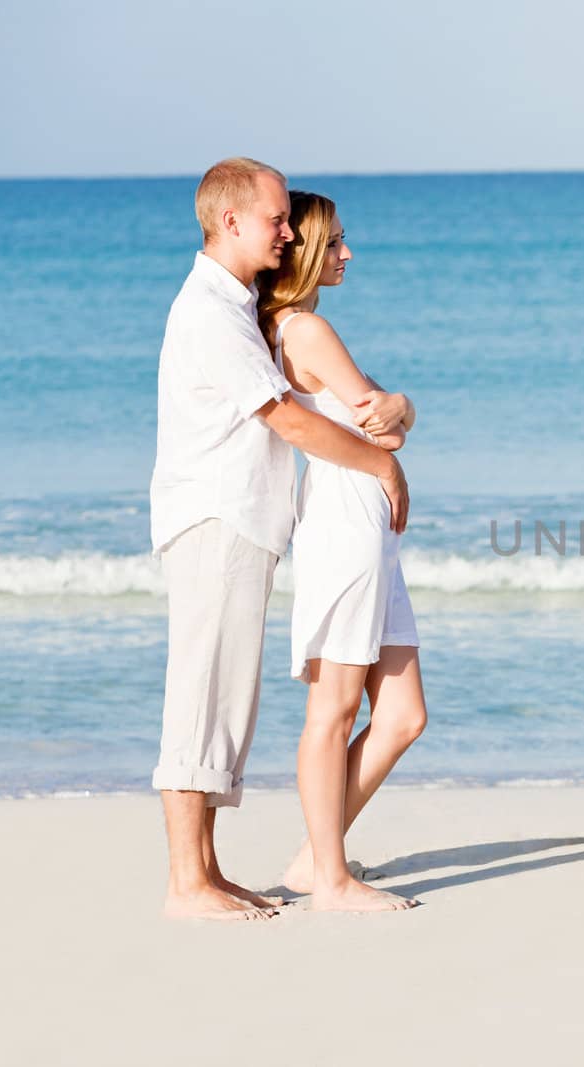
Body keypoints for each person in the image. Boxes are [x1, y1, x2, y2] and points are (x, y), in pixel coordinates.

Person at [150, 158, 411, 921]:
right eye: (276, 219)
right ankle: (185, 884)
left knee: (227, 697)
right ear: (230, 221)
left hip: (243, 520)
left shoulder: (233, 308)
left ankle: (207, 871)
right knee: (200, 696)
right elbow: (286, 418)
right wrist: (383, 469)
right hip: (216, 518)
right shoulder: (211, 312)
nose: (288, 231)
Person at [257, 191, 426, 913]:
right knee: (334, 709)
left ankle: (312, 857)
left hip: (360, 523)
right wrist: (403, 409)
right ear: (303, 254)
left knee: (402, 715)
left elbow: (388, 414)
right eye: (335, 244)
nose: (347, 254)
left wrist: (401, 404)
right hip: (345, 523)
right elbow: (384, 430)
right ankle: (331, 876)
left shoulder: (289, 330)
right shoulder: (304, 330)